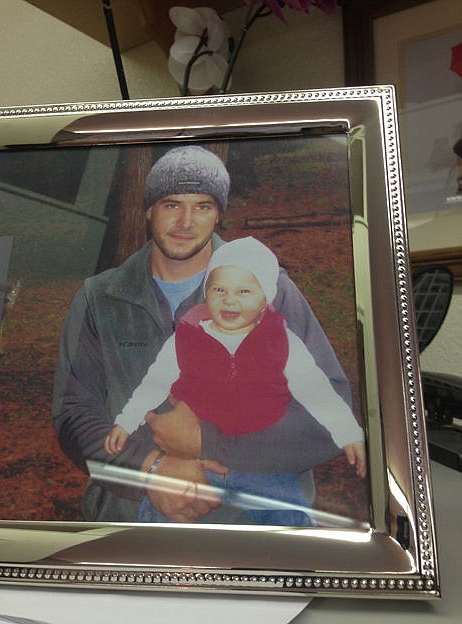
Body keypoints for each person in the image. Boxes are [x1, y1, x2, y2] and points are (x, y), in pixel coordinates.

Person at [52, 145, 359, 524]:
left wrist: (211, 443)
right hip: (129, 525)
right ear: (148, 209)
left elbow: (327, 411)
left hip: (251, 526)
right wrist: (150, 470)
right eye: (171, 204)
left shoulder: (271, 291)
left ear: (218, 216)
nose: (185, 222)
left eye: (202, 206)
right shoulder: (100, 297)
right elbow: (74, 413)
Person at [104, 237, 365, 526]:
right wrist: (126, 421)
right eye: (219, 289)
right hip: (199, 467)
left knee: (291, 526)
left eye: (244, 291)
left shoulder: (281, 341)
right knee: (160, 517)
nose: (229, 299)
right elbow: (154, 384)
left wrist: (347, 432)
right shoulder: (186, 338)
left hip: (266, 467)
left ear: (265, 298)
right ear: (207, 294)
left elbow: (316, 390)